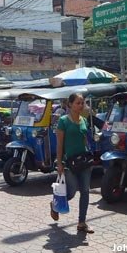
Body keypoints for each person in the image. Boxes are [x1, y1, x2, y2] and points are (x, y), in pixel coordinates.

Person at [51, 93, 94, 234]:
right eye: (78, 103)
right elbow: (59, 144)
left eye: (82, 103)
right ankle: (55, 204)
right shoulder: (63, 121)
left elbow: (84, 141)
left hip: (84, 161)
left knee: (85, 191)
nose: (81, 105)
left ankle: (82, 222)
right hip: (69, 162)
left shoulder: (84, 120)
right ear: (69, 104)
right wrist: (59, 163)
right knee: (71, 191)